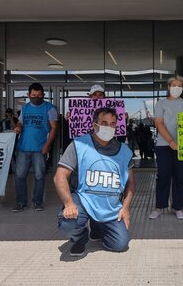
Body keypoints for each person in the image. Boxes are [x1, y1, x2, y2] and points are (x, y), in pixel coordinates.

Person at [54, 107, 135, 257]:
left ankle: (98, 227)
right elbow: (59, 176)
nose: (108, 127)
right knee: (69, 224)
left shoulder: (125, 151)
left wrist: (126, 208)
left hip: (110, 206)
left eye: (112, 124)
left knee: (120, 245)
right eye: (104, 122)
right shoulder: (79, 145)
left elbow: (131, 183)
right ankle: (80, 238)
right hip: (83, 199)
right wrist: (69, 203)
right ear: (94, 124)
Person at [149, 75, 183, 220]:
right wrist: (170, 141)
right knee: (163, 176)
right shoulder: (161, 103)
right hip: (163, 145)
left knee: (180, 176)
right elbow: (159, 123)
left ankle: (178, 207)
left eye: (179, 85)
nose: (177, 88)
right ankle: (159, 207)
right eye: (174, 85)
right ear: (168, 87)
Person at [12, 83, 58, 212]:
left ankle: (38, 202)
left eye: (39, 95)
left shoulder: (50, 108)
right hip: (23, 147)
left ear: (43, 95)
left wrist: (47, 145)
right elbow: (20, 122)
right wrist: (18, 127)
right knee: (19, 176)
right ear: (28, 95)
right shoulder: (25, 108)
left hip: (40, 148)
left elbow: (54, 128)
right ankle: (21, 202)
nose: (36, 97)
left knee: (39, 176)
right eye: (33, 95)